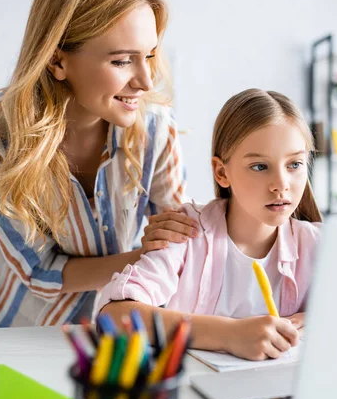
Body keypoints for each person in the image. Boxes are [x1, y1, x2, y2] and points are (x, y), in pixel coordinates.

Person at [0, 0, 198, 328]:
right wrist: (143, 258)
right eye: (122, 61)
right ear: (58, 62)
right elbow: (40, 272)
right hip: (1, 328)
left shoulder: (153, 125)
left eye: (149, 56)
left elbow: (179, 240)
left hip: (99, 326)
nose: (146, 82)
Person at [95, 88, 323, 361]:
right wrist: (229, 334)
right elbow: (114, 315)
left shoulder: (318, 244)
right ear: (222, 172)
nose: (282, 185)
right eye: (260, 167)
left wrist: (325, 321)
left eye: (295, 164)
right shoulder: (186, 232)